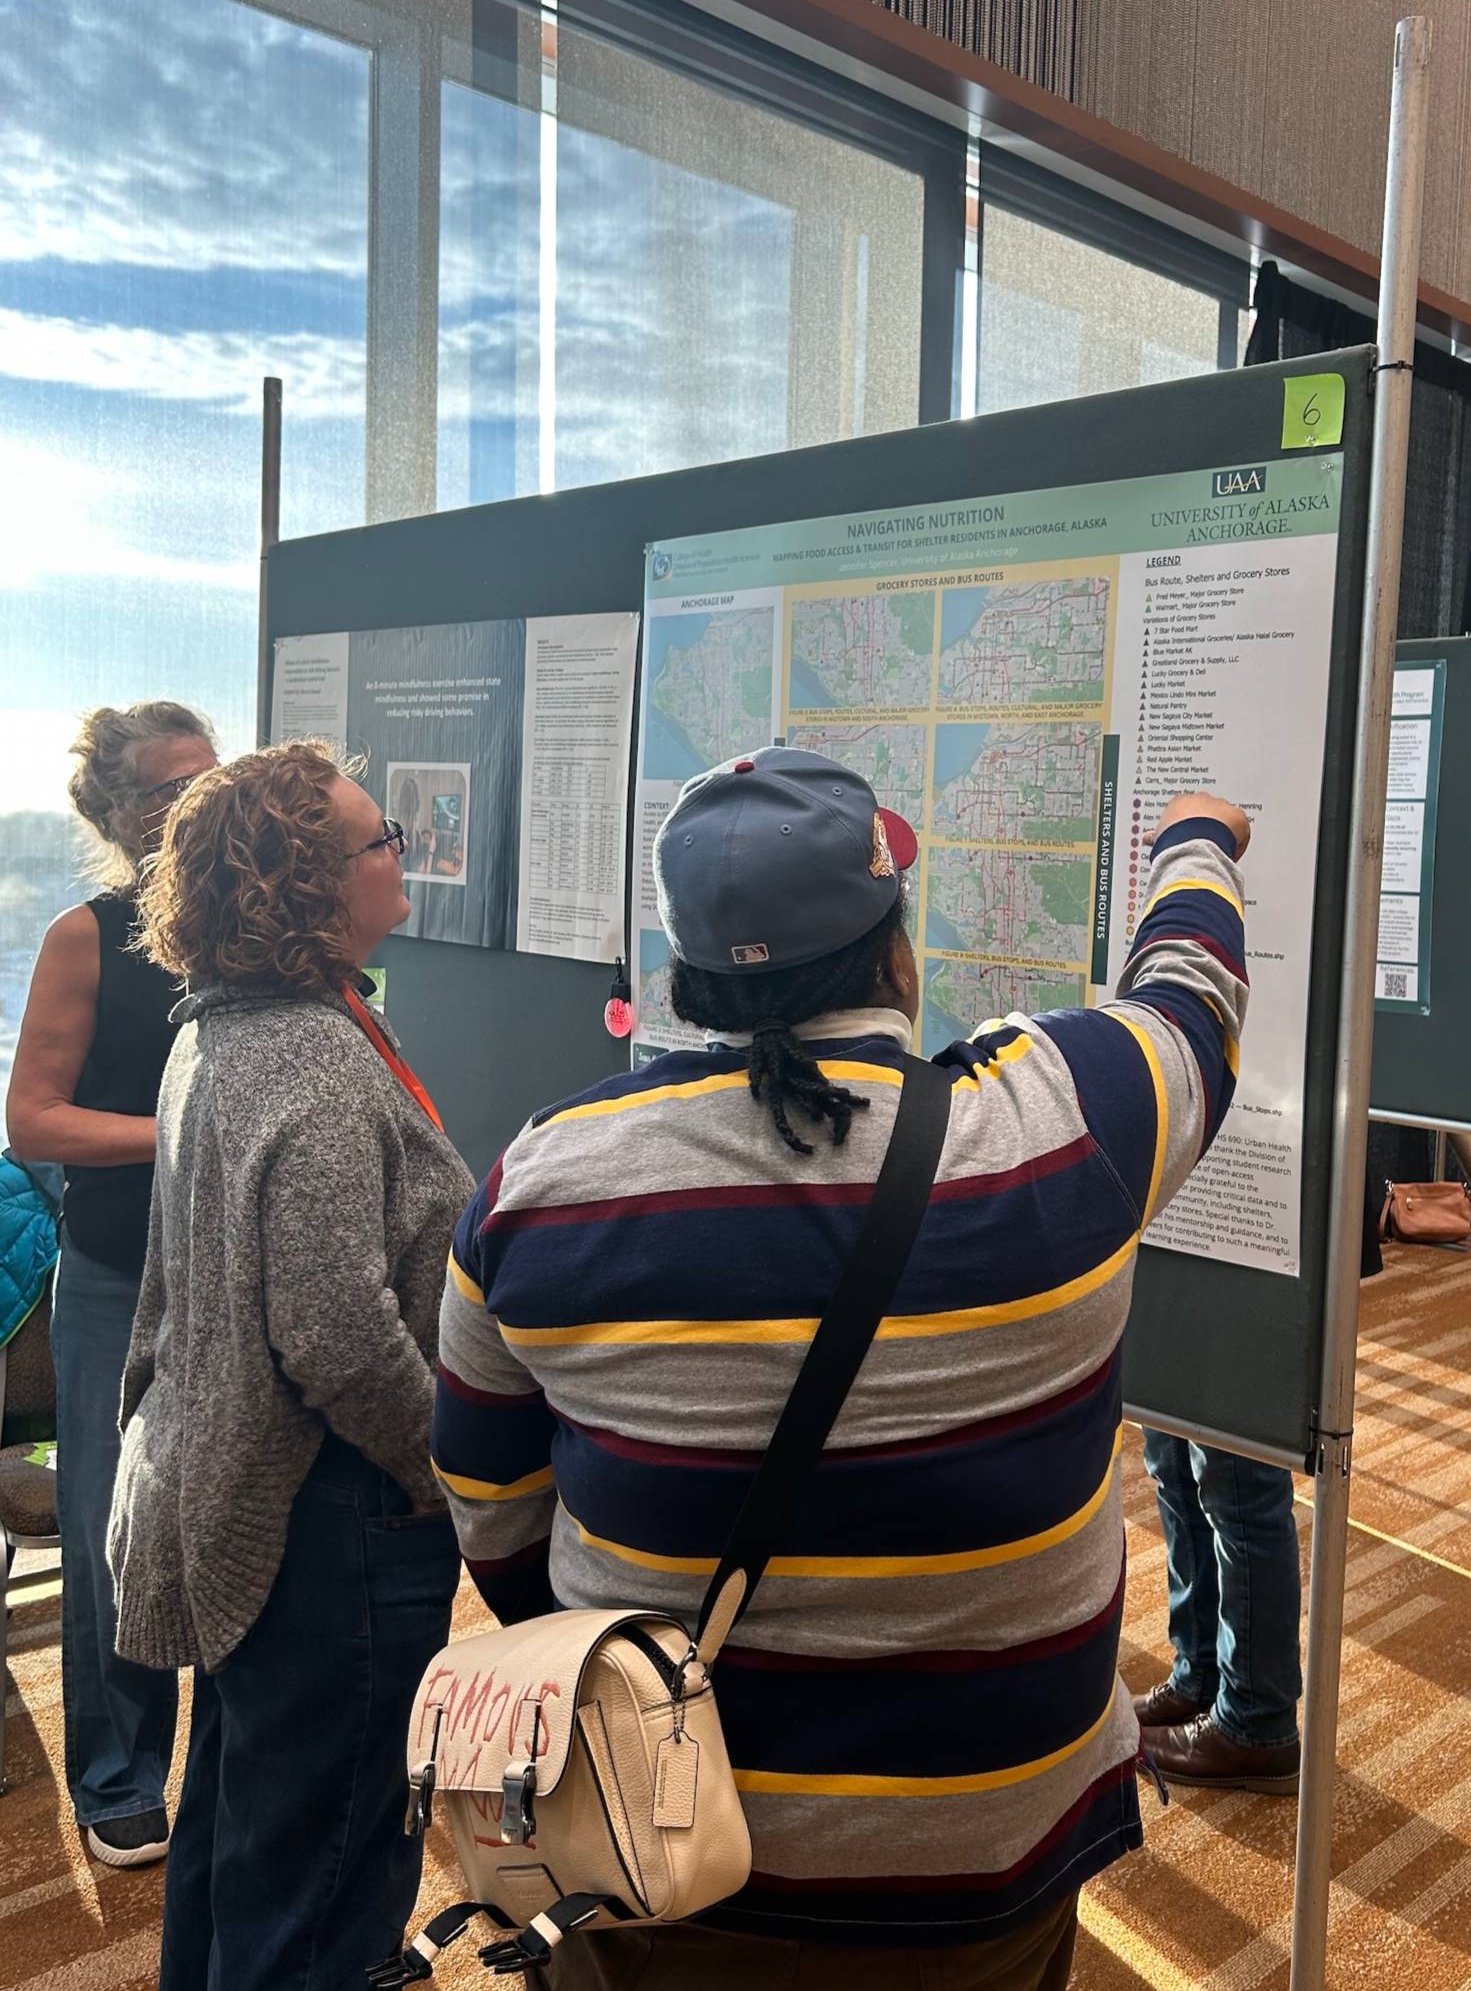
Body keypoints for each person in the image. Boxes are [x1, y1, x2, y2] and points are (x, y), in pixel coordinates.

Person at [433, 746, 1251, 1990]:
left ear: (686, 975)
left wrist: (632, 1668)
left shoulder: (540, 1182)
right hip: (981, 1850)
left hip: (652, 1837)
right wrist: (1196, 840)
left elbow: (493, 1515)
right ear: (895, 953)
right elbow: (1191, 997)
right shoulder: (1064, 1118)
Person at [106, 741, 474, 1991]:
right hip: (337, 1511)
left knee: (248, 1838)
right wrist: (446, 1467)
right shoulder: (310, 1061)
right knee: (323, 1878)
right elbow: (333, 1332)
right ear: (311, 886)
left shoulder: (218, 1030)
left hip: (247, 1494)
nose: (397, 856)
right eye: (380, 841)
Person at [6, 701, 216, 1867]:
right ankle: (117, 1773)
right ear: (116, 817)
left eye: (207, 782)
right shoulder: (87, 936)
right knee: (105, 1532)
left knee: (248, 1513)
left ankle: (239, 1756)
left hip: (244, 1269)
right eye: (163, 794)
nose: (191, 808)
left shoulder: (264, 928)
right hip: (117, 1273)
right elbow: (31, 1117)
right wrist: (182, 1130)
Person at [1135, 1164, 1385, 1792]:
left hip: (1260, 1201)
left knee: (1238, 1480)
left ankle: (1257, 1722)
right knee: (1169, 1449)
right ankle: (1201, 1673)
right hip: (1178, 1201)